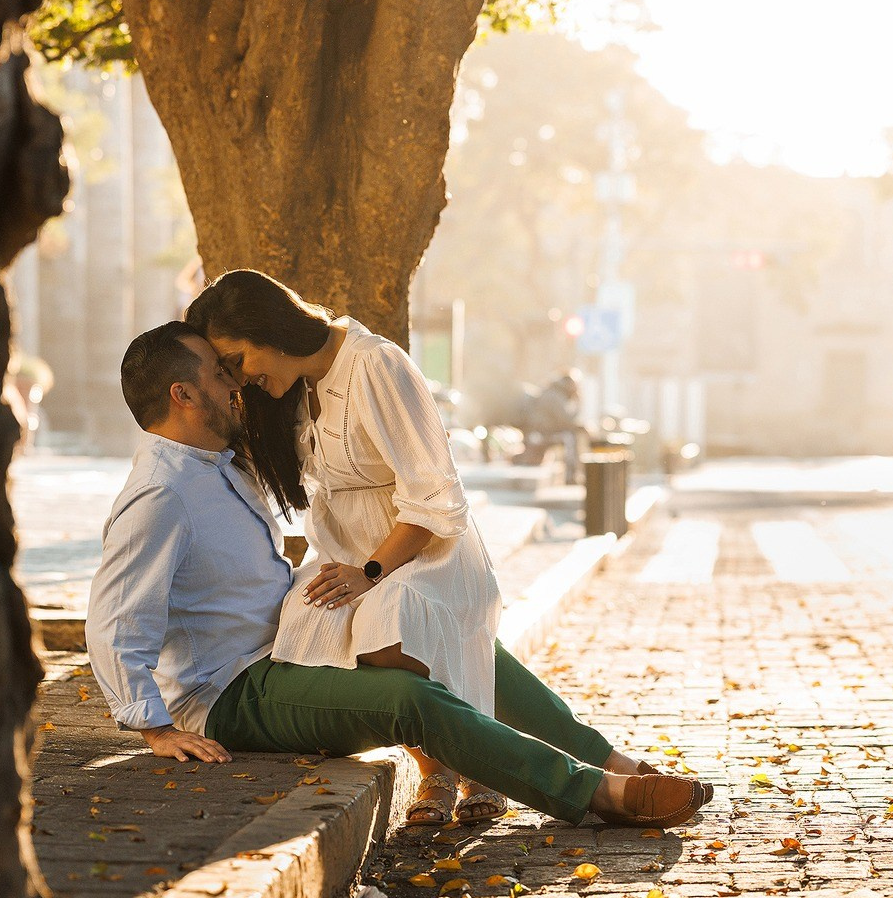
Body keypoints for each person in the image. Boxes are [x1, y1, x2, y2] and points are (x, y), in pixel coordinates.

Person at [86, 318, 707, 832]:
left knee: (454, 639)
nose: (234, 384)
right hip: (232, 693)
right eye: (218, 375)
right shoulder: (161, 492)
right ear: (182, 394)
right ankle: (595, 794)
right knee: (408, 700)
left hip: (287, 647)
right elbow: (115, 620)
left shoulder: (219, 465)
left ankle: (615, 761)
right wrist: (154, 727)